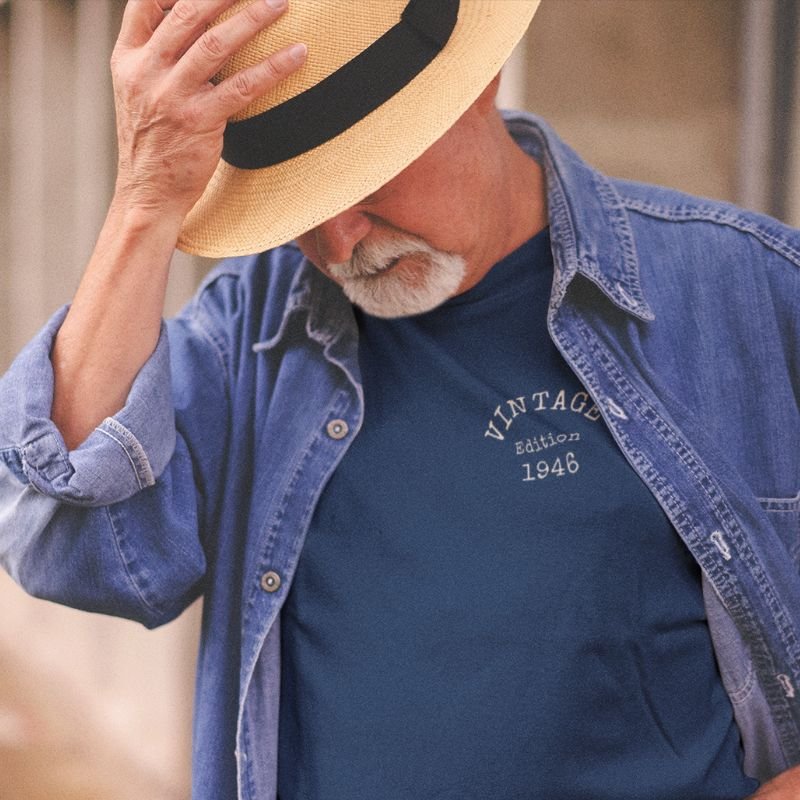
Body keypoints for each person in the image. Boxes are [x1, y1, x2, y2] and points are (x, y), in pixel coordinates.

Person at [0, 0, 798, 798]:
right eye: (301, 204)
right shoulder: (252, 329)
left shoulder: (747, 290)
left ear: (477, 81)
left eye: (364, 173)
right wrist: (144, 205)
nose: (340, 243)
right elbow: (74, 549)